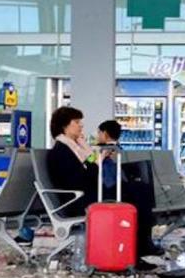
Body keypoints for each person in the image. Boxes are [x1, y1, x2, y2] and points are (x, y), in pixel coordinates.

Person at [46, 107, 161, 269]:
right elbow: (81, 178)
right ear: (64, 125)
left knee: (139, 189)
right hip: (78, 200)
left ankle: (141, 246)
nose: (81, 126)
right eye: (77, 122)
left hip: (88, 194)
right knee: (136, 192)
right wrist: (97, 162)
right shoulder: (61, 152)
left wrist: (94, 160)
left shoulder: (76, 148)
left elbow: (89, 170)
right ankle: (140, 248)